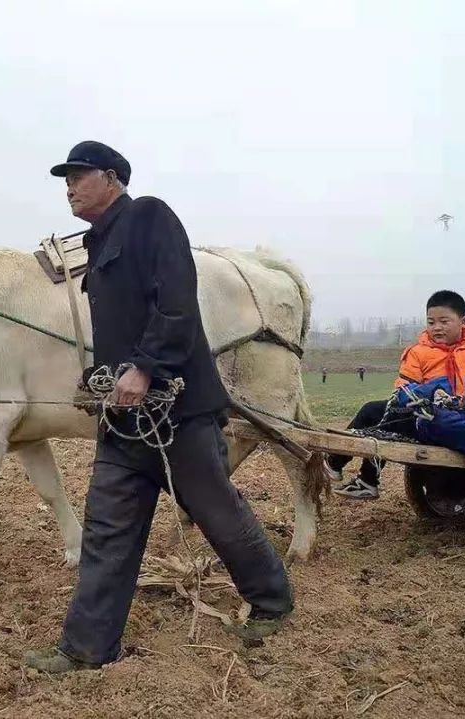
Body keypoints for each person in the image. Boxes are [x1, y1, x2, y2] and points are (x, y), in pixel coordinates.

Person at [25, 141, 292, 674]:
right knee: (106, 530)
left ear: (112, 177)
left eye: (78, 177)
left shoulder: (150, 216)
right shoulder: (96, 244)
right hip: (125, 419)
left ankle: (272, 600)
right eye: (65, 180)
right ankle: (86, 649)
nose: (70, 188)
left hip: (179, 412)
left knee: (216, 512)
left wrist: (145, 367)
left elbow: (176, 302)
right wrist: (106, 376)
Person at [329, 291, 465, 531]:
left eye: (444, 322)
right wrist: (429, 392)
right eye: (431, 322)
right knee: (429, 420)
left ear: (463, 322)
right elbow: (402, 391)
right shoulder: (418, 352)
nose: (437, 328)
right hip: (438, 414)